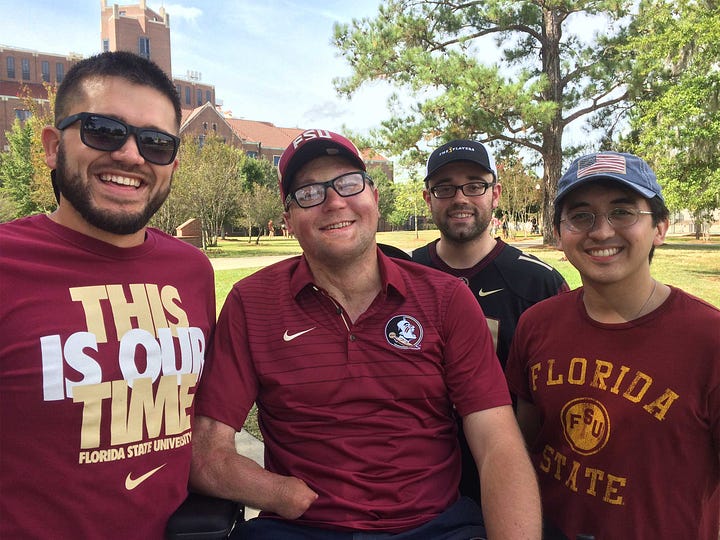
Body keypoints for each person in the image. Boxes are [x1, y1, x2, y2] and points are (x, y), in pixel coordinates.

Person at [190, 129, 541, 539]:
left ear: (374, 198)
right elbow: (207, 450)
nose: (334, 201)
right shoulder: (252, 303)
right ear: (288, 221)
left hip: (435, 527)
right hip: (300, 530)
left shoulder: (447, 300)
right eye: (308, 192)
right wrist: (281, 493)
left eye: (348, 183)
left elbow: (498, 444)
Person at [0, 51, 216, 539]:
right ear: (53, 146)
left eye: (156, 142)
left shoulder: (193, 271)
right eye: (104, 130)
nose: (132, 156)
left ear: (172, 163)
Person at [504, 152, 720, 539]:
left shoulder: (709, 340)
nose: (601, 232)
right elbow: (526, 443)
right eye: (581, 215)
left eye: (623, 212)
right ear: (559, 232)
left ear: (660, 227)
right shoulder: (536, 324)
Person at [411, 139, 569, 503]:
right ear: (428, 198)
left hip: (509, 479)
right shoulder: (404, 275)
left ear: (495, 194)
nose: (460, 198)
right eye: (445, 188)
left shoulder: (538, 283)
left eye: (474, 185)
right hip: (420, 482)